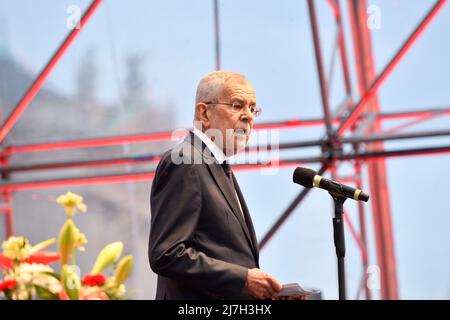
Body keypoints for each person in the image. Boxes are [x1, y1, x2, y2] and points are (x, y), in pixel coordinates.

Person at [148, 71, 283, 300]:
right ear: (204, 112)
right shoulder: (186, 162)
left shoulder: (214, 166)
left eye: (253, 109)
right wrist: (243, 279)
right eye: (237, 105)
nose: (248, 116)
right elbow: (167, 253)